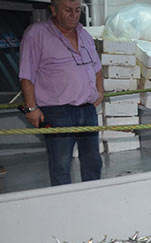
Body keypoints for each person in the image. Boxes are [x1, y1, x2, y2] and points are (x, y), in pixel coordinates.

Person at [19, 0, 103, 186]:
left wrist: (100, 90)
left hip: (87, 110)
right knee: (61, 164)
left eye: (77, 10)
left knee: (93, 162)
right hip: (57, 112)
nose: (74, 15)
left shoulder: (84, 34)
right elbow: (26, 74)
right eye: (68, 10)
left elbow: (97, 67)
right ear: (54, 10)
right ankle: (64, 207)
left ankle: (94, 200)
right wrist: (32, 107)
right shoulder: (36, 34)